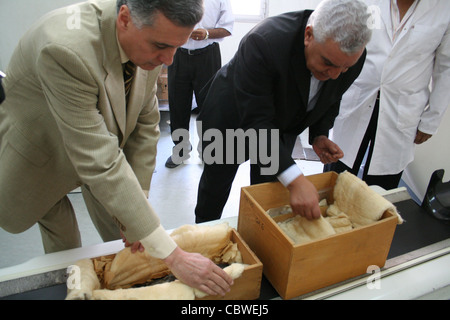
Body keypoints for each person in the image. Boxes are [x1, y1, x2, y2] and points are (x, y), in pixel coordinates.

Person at [0, 0, 232, 296]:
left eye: (177, 46)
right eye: (162, 46)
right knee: (66, 251)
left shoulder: (148, 42)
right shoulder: (64, 49)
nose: (170, 60)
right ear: (124, 19)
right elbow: (99, 159)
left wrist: (141, 200)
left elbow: (146, 125)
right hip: (43, 154)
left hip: (97, 148)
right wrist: (173, 255)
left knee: (132, 231)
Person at [194, 0, 372, 224]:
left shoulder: (350, 57)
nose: (336, 74)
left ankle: (260, 242)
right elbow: (256, 121)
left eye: (344, 68)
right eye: (328, 63)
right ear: (309, 35)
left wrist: (319, 133)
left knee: (270, 195)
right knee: (215, 188)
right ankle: (204, 240)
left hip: (281, 126)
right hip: (232, 120)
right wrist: (296, 179)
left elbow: (331, 96)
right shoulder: (264, 41)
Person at [325, 0, 450, 190]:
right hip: (356, 99)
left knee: (383, 186)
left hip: (402, 109)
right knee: (336, 174)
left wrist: (431, 120)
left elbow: (446, 69)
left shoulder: (443, 9)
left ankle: (376, 219)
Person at [165, 0, 234, 168]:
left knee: (209, 105)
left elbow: (228, 28)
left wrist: (207, 34)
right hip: (178, 53)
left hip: (207, 56)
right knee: (178, 104)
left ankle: (208, 150)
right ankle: (181, 149)